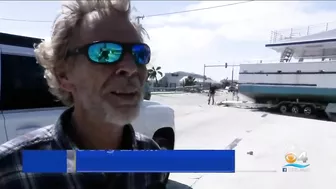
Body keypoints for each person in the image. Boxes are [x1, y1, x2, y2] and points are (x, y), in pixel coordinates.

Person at [0, 0, 167, 188]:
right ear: (63, 75)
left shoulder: (151, 158)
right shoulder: (10, 170)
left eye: (140, 54)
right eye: (104, 52)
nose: (130, 68)